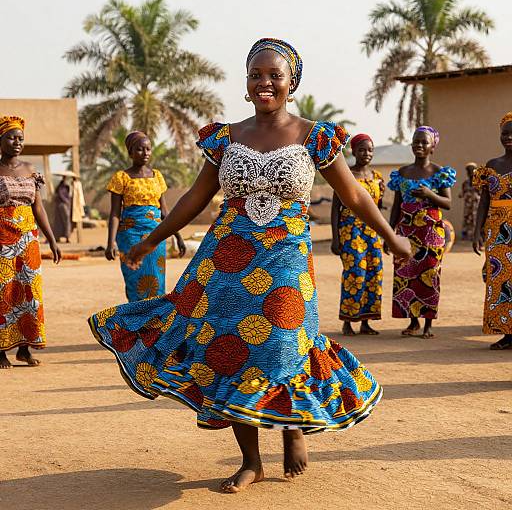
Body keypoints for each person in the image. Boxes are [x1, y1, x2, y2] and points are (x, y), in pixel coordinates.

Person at [89, 38, 411, 493]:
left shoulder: (314, 136)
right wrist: (151, 239)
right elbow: (195, 198)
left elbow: (353, 195)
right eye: (255, 75)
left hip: (286, 256)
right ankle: (251, 460)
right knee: (228, 349)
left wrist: (390, 235)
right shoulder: (226, 137)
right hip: (227, 260)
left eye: (274, 75)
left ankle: (293, 427)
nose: (264, 83)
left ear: (291, 83)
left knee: (284, 341)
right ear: (245, 83)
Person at [0, 115, 61, 368]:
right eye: (11, 138)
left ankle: (24, 349)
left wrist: (52, 239)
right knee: (4, 292)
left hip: (28, 240)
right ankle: (0, 350)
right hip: (2, 238)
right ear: (0, 140)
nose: (17, 142)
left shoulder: (31, 170)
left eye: (20, 138)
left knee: (29, 292)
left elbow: (39, 208)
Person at [387, 126, 456, 338]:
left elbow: (448, 203)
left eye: (424, 142)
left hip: (430, 232)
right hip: (407, 230)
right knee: (405, 274)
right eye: (416, 141)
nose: (419, 145)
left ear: (432, 146)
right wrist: (390, 235)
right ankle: (413, 321)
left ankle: (428, 324)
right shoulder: (402, 173)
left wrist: (429, 194)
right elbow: (396, 206)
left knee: (429, 275)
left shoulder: (439, 172)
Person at [104, 131, 185, 302]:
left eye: (148, 149)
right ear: (130, 152)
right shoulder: (121, 178)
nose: (145, 153)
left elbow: (164, 211)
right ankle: (137, 322)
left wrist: (178, 237)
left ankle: (155, 323)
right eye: (140, 149)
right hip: (130, 235)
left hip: (157, 235)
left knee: (157, 280)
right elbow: (115, 214)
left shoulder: (157, 176)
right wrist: (110, 242)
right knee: (135, 280)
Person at [331, 133, 384, 335]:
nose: (366, 154)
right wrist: (336, 239)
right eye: (362, 149)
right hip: (350, 231)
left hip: (372, 233)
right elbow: (335, 208)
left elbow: (378, 209)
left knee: (374, 274)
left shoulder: (377, 178)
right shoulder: (346, 176)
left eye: (370, 150)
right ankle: (348, 321)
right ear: (353, 151)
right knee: (355, 274)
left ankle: (365, 322)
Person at [472, 112, 512, 350]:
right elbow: (484, 202)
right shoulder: (491, 166)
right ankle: (506, 333)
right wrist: (477, 231)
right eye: (505, 133)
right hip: (496, 230)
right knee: (499, 280)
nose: (509, 137)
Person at [459, 162, 480, 241]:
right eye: (469, 170)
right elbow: (462, 193)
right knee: (467, 220)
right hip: (468, 205)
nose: (470, 172)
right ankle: (467, 237)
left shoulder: (479, 182)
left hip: (476, 205)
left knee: (477, 220)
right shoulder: (465, 183)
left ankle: (478, 238)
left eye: (472, 170)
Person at [53, 176, 72, 243]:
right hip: (62, 205)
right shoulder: (61, 187)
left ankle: (65, 237)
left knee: (61, 221)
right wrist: (67, 202)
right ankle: (66, 237)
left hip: (64, 205)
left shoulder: (67, 187)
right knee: (65, 221)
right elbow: (61, 196)